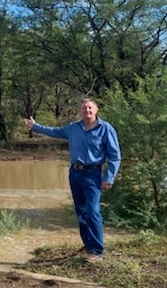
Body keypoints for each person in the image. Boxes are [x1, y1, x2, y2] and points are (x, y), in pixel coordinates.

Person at [23, 99, 121, 263]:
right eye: (84, 108)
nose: (87, 110)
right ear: (79, 111)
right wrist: (35, 126)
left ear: (96, 110)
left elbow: (114, 156)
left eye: (90, 108)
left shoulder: (106, 129)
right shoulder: (73, 128)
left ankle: (97, 251)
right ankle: (88, 245)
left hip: (93, 174)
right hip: (75, 173)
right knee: (81, 213)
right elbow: (54, 131)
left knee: (93, 211)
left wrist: (109, 177)